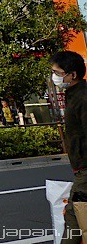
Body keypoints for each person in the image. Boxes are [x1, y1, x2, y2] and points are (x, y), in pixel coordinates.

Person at [52, 50, 87, 244]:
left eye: (58, 73)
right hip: (81, 168)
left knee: (75, 215)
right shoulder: (74, 95)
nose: (55, 77)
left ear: (72, 74)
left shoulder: (82, 97)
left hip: (86, 169)